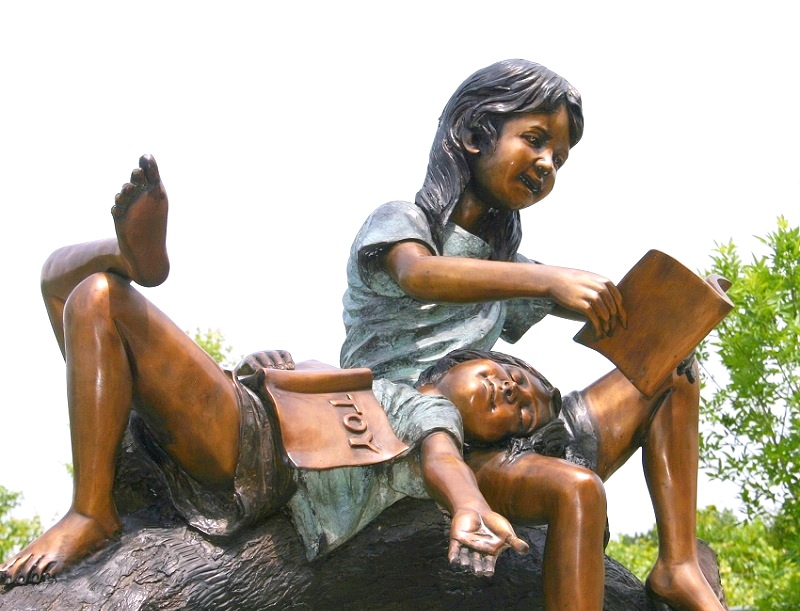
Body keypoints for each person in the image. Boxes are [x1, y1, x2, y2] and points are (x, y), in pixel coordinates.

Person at [339, 58, 763, 611]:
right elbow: (420, 276)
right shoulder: (403, 222)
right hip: (422, 437)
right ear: (474, 132)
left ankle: (678, 563)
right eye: (535, 140)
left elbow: (602, 309)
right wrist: (546, 278)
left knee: (672, 364)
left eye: (559, 158)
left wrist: (672, 311)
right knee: (577, 490)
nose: (546, 165)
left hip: (514, 436)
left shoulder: (504, 263)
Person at [1, 155, 577, 587]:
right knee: (61, 282)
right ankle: (130, 258)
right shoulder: (367, 377)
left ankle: (91, 510)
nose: (511, 391)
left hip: (254, 455)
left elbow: (443, 460)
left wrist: (470, 505)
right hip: (239, 408)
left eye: (521, 412)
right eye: (515, 375)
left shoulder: (430, 414)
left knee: (99, 296)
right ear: (475, 352)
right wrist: (267, 370)